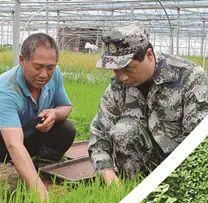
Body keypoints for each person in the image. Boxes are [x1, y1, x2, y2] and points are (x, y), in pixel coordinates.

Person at [89, 22, 208, 185]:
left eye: (128, 69)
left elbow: (198, 144)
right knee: (124, 130)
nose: (122, 77)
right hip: (140, 168)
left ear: (149, 55)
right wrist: (108, 175)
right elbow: (99, 133)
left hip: (179, 166)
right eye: (116, 70)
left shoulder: (189, 77)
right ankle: (132, 186)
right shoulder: (117, 85)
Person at [0, 33, 75, 201]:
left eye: (50, 67)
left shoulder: (55, 74)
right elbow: (13, 144)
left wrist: (54, 113)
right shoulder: (6, 90)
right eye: (38, 67)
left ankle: (43, 169)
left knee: (66, 129)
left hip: (26, 134)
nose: (44, 74)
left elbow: (66, 107)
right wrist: (40, 194)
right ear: (22, 60)